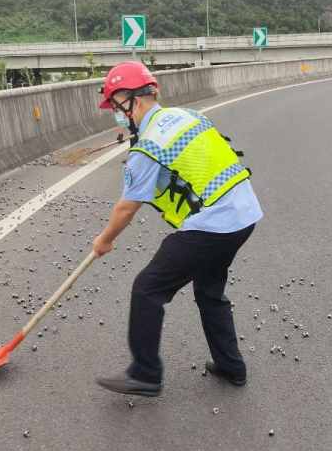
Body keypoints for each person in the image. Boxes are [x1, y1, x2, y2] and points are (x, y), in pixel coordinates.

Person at [92, 61, 263, 397]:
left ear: (133, 100)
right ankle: (231, 366)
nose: (117, 115)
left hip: (214, 224)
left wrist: (104, 240)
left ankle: (145, 374)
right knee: (209, 291)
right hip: (244, 215)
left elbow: (128, 205)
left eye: (116, 106)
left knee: (147, 289)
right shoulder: (188, 116)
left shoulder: (148, 145)